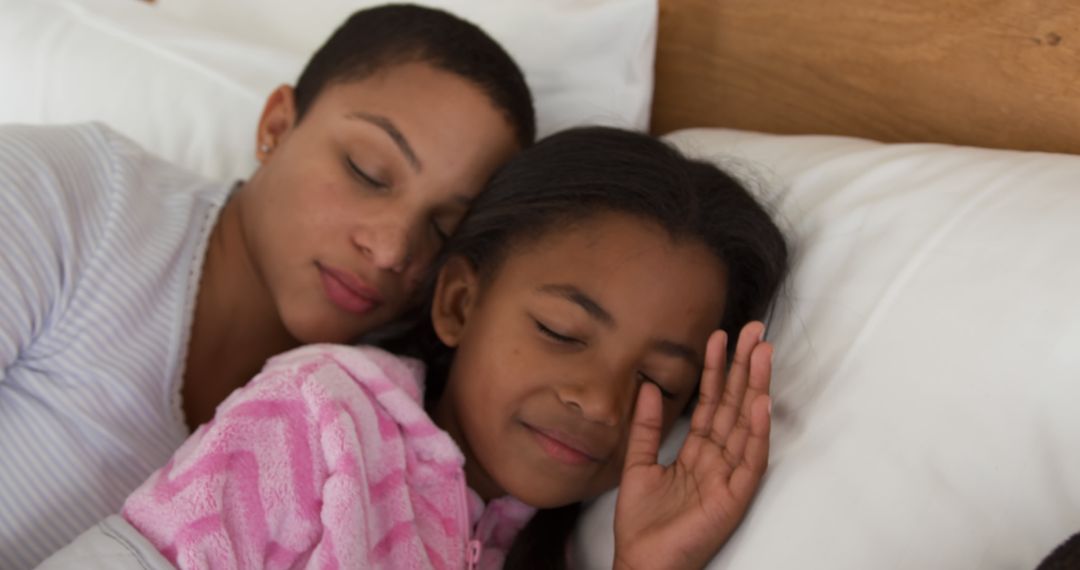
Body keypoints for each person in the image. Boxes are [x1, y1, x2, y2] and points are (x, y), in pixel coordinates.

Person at [38, 127, 789, 569]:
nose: (599, 401)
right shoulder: (323, 415)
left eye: (659, 380)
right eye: (561, 333)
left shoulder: (514, 540)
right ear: (460, 302)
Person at [0, 5, 534, 568]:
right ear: (277, 127)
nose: (393, 248)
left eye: (443, 230)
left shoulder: (381, 437)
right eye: (367, 171)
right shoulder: (70, 195)